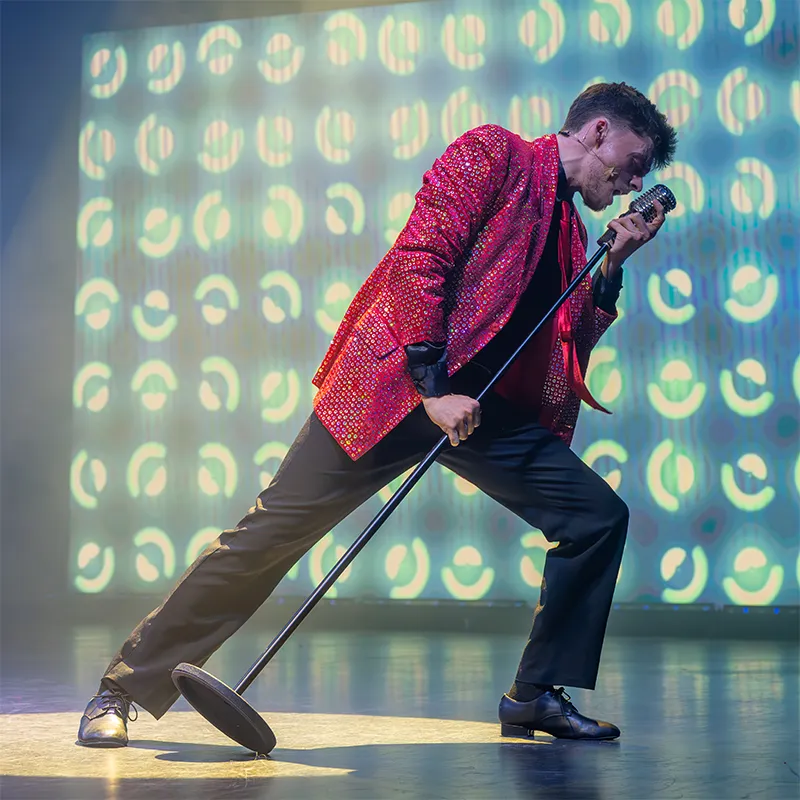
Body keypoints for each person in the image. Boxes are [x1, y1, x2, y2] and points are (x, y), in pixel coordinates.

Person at [77, 81, 677, 747]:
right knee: (269, 534)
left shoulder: (570, 231)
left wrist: (613, 268)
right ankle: (122, 689)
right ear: (598, 131)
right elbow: (420, 262)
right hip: (395, 389)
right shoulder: (495, 155)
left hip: (477, 411)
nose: (636, 180)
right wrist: (430, 385)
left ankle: (534, 695)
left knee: (596, 518)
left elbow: (569, 344)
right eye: (637, 156)